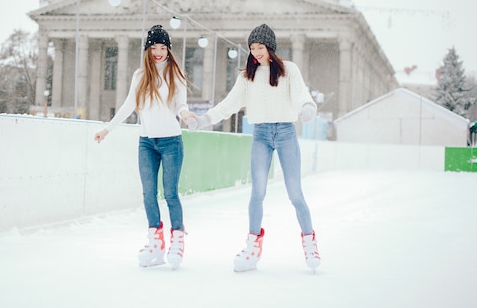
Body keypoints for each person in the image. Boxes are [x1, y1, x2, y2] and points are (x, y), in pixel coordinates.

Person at [190, 23, 321, 272]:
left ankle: (309, 242)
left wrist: (308, 107)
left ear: (270, 47)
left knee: (295, 194)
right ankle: (252, 246)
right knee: (257, 193)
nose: (256, 52)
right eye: (252, 48)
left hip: (285, 132)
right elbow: (228, 105)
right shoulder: (246, 77)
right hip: (260, 134)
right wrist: (205, 119)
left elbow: (303, 94)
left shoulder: (288, 70)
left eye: (260, 47)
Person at [94, 24, 192, 270]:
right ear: (147, 50)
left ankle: (177, 240)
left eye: (163, 47)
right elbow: (128, 106)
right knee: (149, 194)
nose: (158, 52)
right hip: (146, 142)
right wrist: (107, 129)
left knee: (170, 193)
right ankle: (155, 243)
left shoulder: (175, 74)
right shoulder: (140, 76)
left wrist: (186, 113)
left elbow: (181, 103)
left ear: (168, 50)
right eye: (154, 47)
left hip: (171, 142)